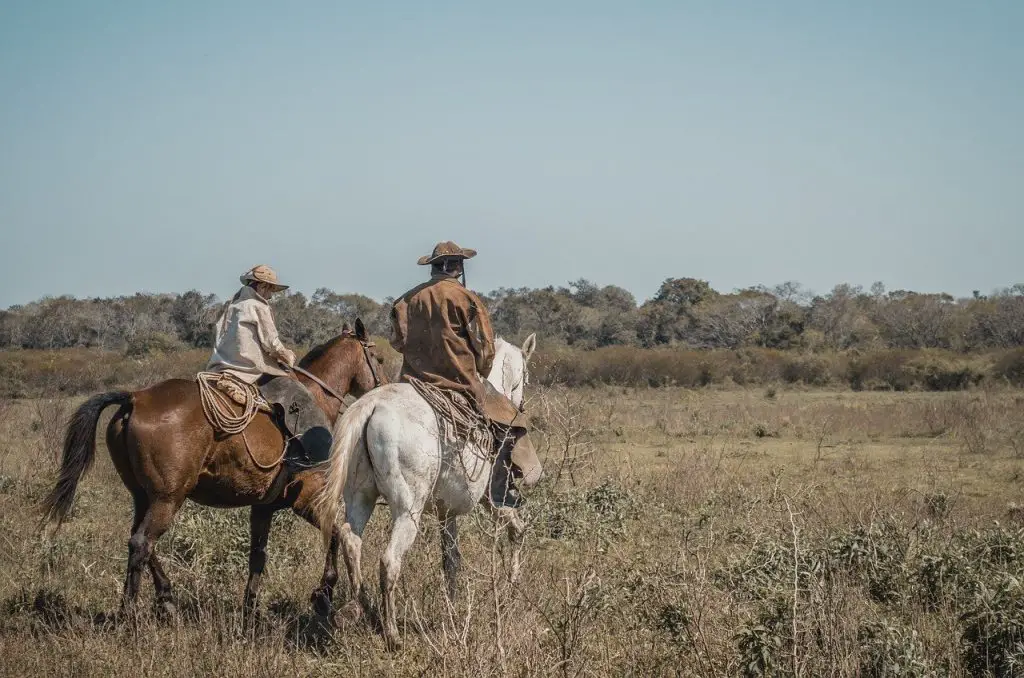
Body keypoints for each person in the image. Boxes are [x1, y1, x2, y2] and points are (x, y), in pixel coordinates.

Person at [390, 242, 529, 508]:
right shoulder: (468, 299)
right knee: (512, 422)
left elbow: (397, 342)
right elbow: (487, 350)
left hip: (411, 381)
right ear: (458, 267)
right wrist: (480, 371)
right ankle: (500, 492)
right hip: (459, 383)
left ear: (433, 268)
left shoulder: (404, 301)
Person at [206, 265, 332, 465]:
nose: (272, 295)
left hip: (218, 369)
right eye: (270, 289)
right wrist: (288, 356)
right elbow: (271, 343)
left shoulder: (231, 306)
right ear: (262, 286)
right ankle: (306, 458)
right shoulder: (258, 307)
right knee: (299, 395)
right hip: (249, 371)